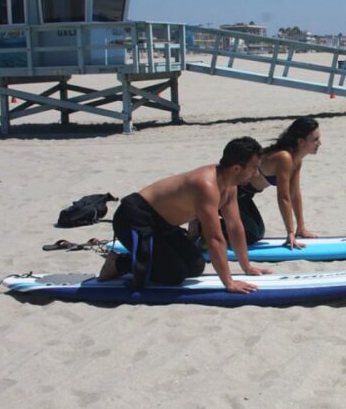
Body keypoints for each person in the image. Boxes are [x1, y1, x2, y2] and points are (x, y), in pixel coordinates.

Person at [99, 137, 270, 293]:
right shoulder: (206, 185)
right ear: (236, 168)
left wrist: (246, 266)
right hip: (134, 219)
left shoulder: (230, 185)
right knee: (173, 275)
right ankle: (118, 263)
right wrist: (229, 283)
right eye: (254, 168)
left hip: (164, 225)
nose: (256, 173)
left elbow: (235, 227)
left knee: (195, 266)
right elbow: (215, 239)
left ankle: (145, 258)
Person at [229, 117, 321, 250]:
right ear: (301, 142)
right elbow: (283, 197)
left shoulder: (297, 160)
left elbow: (294, 194)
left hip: (244, 197)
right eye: (315, 140)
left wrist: (300, 228)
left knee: (258, 232)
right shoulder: (284, 158)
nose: (319, 143)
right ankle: (205, 229)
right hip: (230, 192)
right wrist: (290, 233)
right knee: (253, 235)